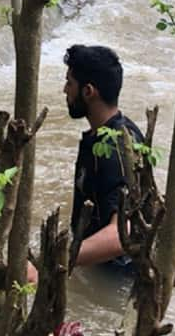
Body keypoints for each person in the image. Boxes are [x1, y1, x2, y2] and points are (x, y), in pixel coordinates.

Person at [64, 44, 143, 271]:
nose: (64, 90)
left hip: (116, 274)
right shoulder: (117, 132)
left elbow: (121, 233)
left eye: (69, 83)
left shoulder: (113, 149)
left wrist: (54, 260)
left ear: (88, 91)